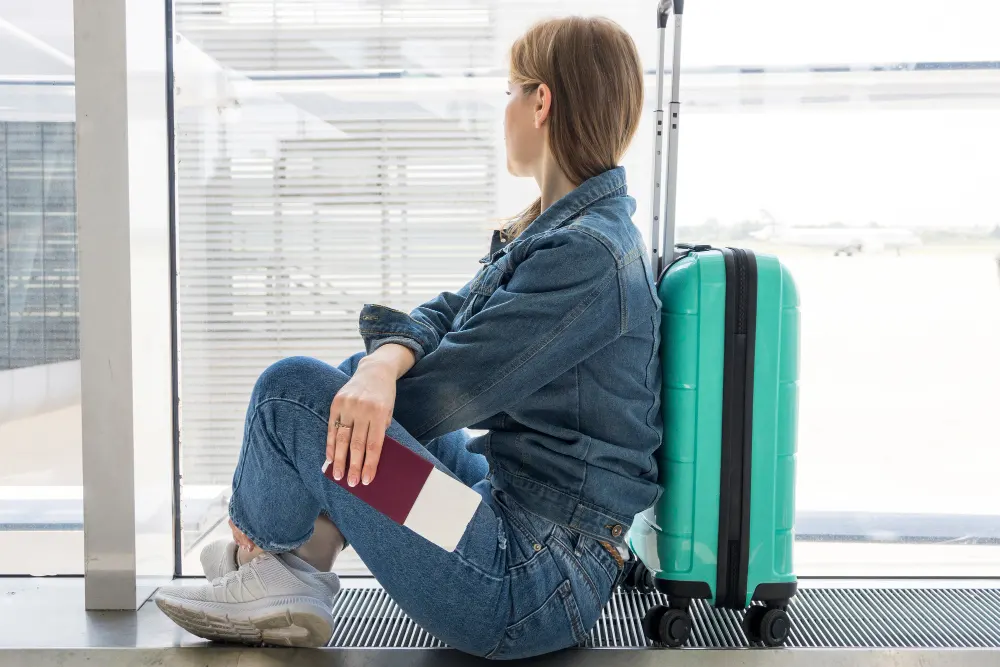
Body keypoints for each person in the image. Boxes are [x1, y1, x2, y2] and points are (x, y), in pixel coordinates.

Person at [157, 15, 662, 660]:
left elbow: (444, 392)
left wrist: (374, 383)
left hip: (524, 579)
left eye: (509, 91)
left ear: (543, 102)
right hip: (525, 532)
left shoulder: (588, 256)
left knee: (291, 395)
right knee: (351, 388)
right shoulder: (566, 231)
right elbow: (449, 315)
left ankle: (265, 556)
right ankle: (288, 571)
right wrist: (382, 364)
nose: (502, 109)